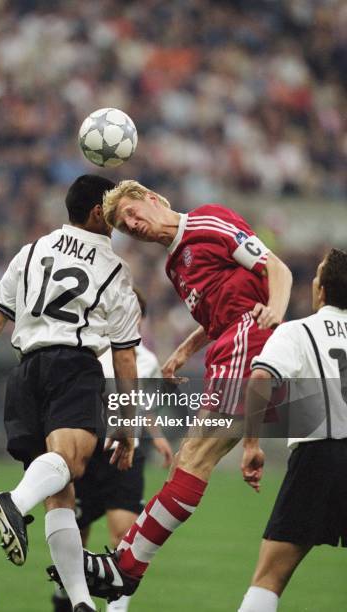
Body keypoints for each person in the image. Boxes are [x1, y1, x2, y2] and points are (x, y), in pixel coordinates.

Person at [70, 179, 293, 601]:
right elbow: (214, 317)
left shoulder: (207, 221)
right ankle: (125, 563)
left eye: (133, 212)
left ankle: (125, 566)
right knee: (186, 467)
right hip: (226, 346)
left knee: (195, 457)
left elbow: (276, 269)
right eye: (123, 224)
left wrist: (274, 316)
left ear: (154, 198)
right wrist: (183, 349)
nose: (132, 224)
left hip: (249, 337)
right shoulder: (175, 266)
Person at [0, 175, 142, 612]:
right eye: (112, 211)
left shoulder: (32, 251)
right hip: (73, 366)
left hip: (26, 371)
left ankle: (82, 603)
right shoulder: (115, 269)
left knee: (60, 491)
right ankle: (14, 502)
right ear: (95, 213)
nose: (118, 221)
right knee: (72, 462)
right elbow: (125, 359)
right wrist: (128, 425)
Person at [239, 248, 347, 612]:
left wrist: (251, 443)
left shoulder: (299, 330)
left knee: (270, 576)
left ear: (320, 291)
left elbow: (260, 378)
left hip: (320, 456)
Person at [51, 291, 173, 612]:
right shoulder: (92, 350)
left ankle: (116, 609)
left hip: (126, 453)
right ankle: (66, 596)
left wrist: (157, 436)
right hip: (89, 451)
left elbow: (142, 405)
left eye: (135, 315)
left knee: (124, 534)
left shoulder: (147, 361)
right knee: (77, 532)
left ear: (140, 320)